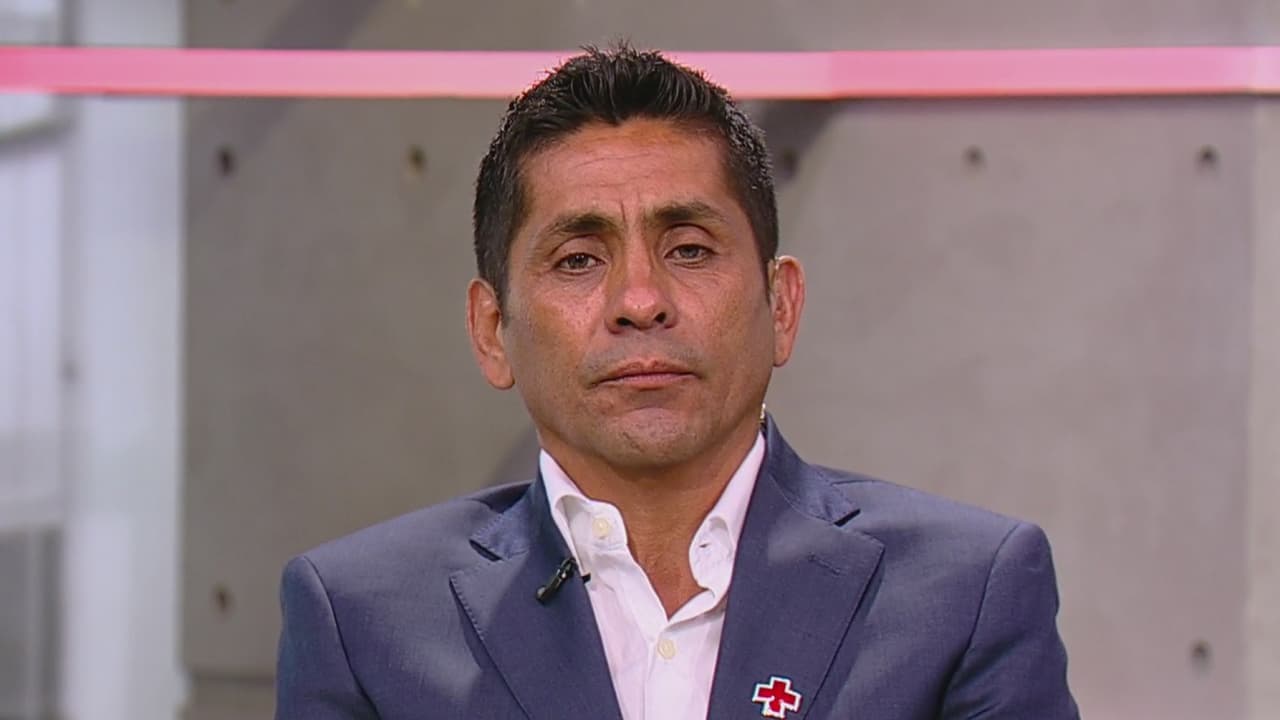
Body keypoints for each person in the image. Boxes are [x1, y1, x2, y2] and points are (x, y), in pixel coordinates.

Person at [275, 44, 1078, 720]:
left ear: (782, 306)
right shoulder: (363, 621)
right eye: (578, 260)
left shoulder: (965, 594)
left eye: (689, 249)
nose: (640, 300)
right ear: (492, 331)